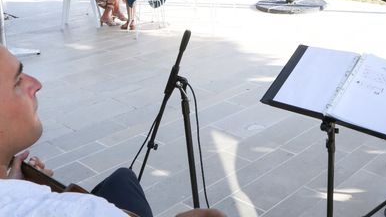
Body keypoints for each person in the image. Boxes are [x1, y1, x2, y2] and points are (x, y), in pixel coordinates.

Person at [0, 45, 226, 217]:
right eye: (18, 81)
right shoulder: (82, 210)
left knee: (123, 177)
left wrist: (14, 186)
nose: (37, 83)